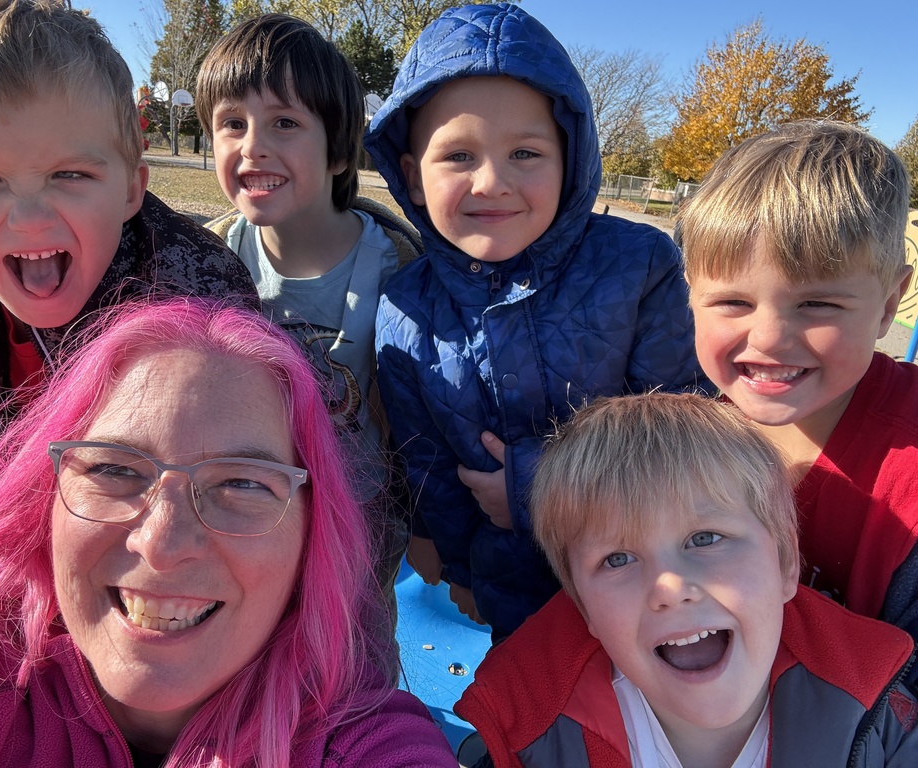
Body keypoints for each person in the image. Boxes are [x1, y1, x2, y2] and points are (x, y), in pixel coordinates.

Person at [0, 298, 459, 767]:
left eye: (242, 483)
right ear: (42, 497)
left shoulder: (359, 745)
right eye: (114, 469)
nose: (162, 546)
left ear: (312, 536)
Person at [364, 2, 703, 638]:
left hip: (647, 578)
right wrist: (456, 561)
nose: (492, 181)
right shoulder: (404, 305)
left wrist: (532, 487)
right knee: (530, 719)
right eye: (459, 156)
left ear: (570, 159)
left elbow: (680, 430)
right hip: (509, 585)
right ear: (411, 178)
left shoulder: (641, 267)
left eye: (525, 152)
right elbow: (428, 460)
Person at [456, 392, 918, 767]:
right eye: (618, 559)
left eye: (705, 538)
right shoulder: (531, 735)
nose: (670, 588)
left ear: (784, 564)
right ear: (584, 608)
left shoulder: (883, 720)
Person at [0, 0, 257, 467]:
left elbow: (238, 472)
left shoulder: (202, 292)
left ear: (131, 190)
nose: (28, 217)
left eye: (70, 174)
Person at [196, 13, 421, 597]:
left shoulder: (402, 268)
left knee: (355, 669)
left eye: (285, 122)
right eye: (232, 123)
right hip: (244, 520)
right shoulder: (205, 264)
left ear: (339, 152)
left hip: (363, 523)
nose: (253, 148)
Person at [678, 120, 918, 650]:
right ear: (692, 294)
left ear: (887, 304)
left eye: (817, 304)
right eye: (733, 302)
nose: (768, 339)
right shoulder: (691, 438)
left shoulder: (907, 483)